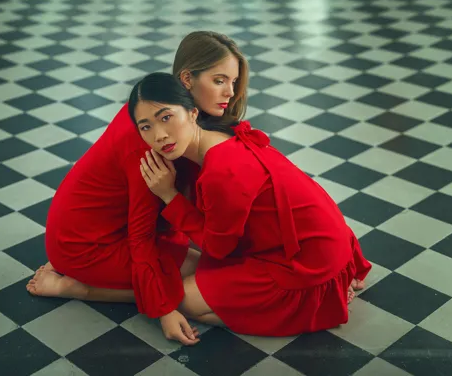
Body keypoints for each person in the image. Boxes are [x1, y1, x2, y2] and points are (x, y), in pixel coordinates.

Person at [26, 31, 249, 345]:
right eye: (219, 80)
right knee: (198, 279)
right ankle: (77, 288)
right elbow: (140, 234)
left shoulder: (169, 112)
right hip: (85, 244)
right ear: (187, 79)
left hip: (118, 226)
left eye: (234, 81)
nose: (230, 92)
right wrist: (164, 309)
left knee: (218, 261)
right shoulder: (154, 139)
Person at [130, 72, 372, 337]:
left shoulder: (221, 170)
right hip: (321, 241)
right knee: (194, 273)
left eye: (166, 117)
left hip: (306, 264)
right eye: (146, 126)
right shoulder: (222, 136)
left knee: (185, 300)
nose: (160, 135)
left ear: (192, 112)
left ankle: (309, 308)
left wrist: (169, 195)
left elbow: (217, 248)